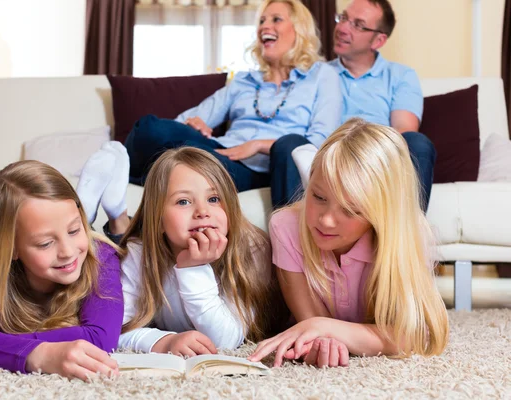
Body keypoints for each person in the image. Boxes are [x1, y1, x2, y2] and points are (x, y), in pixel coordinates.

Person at [248, 119, 449, 368]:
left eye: (351, 210)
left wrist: (324, 327)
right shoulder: (285, 227)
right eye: (319, 196)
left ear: (380, 212)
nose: (327, 220)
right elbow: (310, 324)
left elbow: (415, 335)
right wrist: (323, 334)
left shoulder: (409, 233)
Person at [124, 0, 342, 210]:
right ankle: (124, 173)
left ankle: (290, 240)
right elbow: (183, 121)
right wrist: (194, 123)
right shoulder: (243, 81)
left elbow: (321, 142)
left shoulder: (322, 75)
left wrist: (258, 145)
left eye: (276, 19)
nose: (265, 26)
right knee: (150, 128)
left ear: (299, 30)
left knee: (290, 144)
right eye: (262, 21)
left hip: (275, 168)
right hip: (227, 159)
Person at [0, 160, 124, 381]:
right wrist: (40, 355)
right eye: (45, 243)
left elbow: (101, 338)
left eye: (74, 230)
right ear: (12, 248)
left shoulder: (101, 257)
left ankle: (117, 218)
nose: (67, 251)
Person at [77, 143, 286, 355]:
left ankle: (113, 218)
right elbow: (115, 329)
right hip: (144, 242)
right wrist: (164, 342)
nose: (203, 211)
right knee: (101, 259)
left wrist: (193, 268)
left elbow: (224, 341)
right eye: (184, 201)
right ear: (158, 220)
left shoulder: (250, 249)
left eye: (214, 199)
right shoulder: (139, 254)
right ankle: (86, 221)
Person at [293, 0, 436, 212]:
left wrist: (366, 158)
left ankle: (407, 234)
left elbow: (404, 131)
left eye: (357, 25)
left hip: (377, 161)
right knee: (292, 143)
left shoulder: (400, 76)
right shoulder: (315, 74)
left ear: (378, 40)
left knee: (417, 143)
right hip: (326, 160)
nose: (341, 28)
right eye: (343, 18)